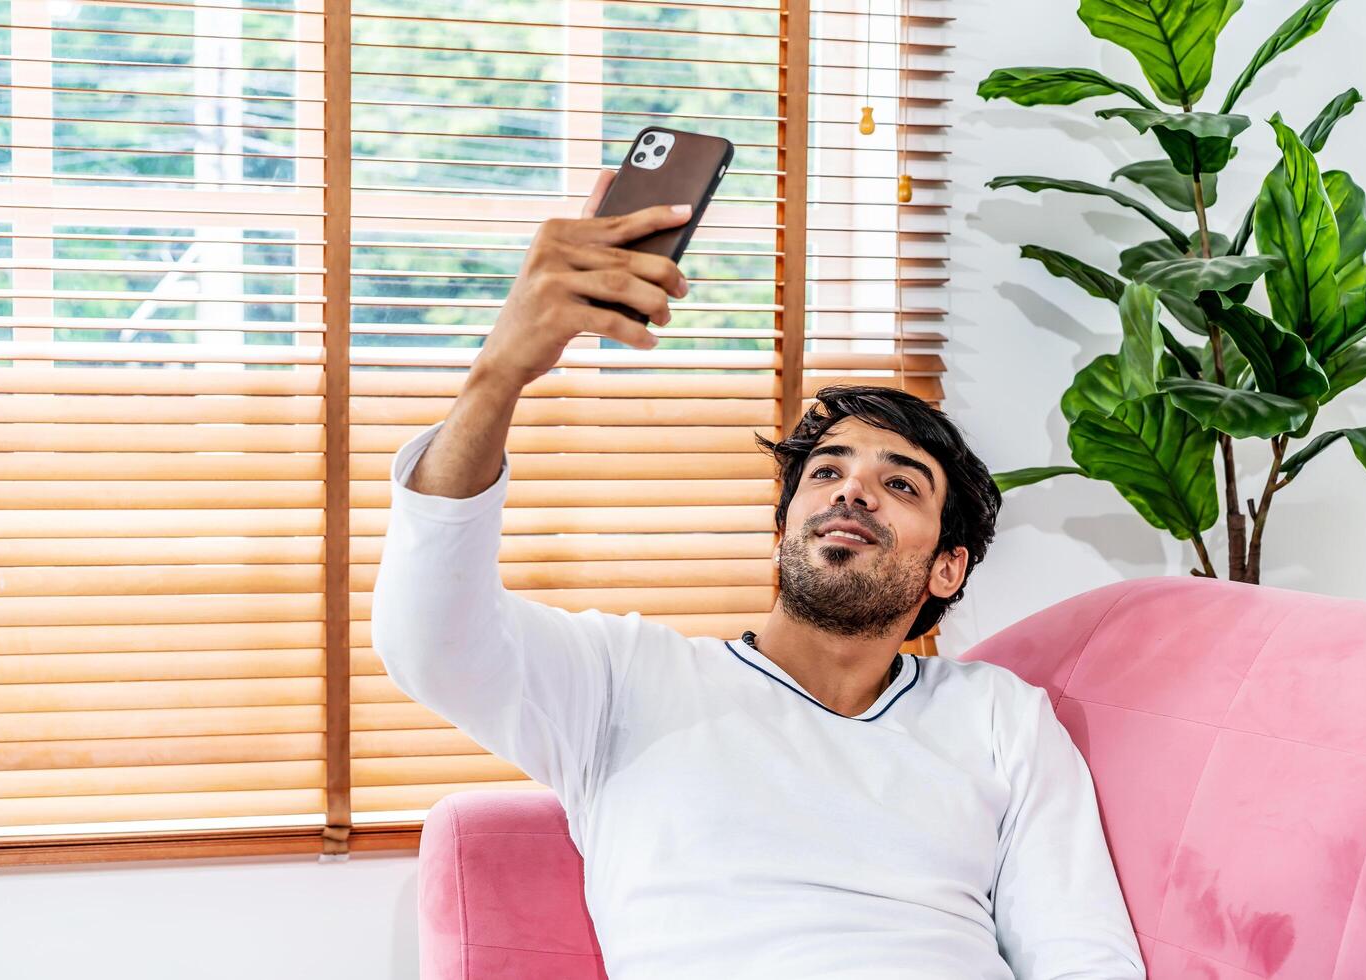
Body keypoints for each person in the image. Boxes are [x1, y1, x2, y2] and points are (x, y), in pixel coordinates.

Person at [371, 170, 1146, 979]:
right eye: (827, 471)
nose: (853, 488)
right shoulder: (623, 682)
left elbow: (1082, 955)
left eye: (901, 483)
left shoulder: (1000, 720)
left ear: (948, 569)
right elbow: (429, 639)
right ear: (783, 530)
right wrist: (500, 373)